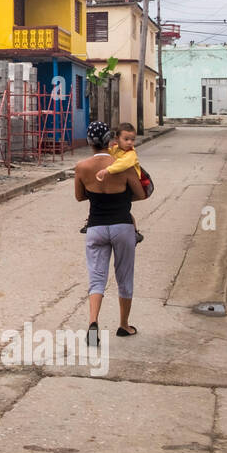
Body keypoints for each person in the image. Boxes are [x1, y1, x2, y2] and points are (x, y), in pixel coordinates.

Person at [75, 120, 148, 344]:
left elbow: (79, 196)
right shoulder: (122, 164)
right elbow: (141, 194)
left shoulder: (82, 167)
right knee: (124, 276)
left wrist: (97, 192)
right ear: (110, 140)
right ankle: (124, 325)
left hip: (96, 227)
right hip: (122, 226)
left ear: (90, 142)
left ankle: (93, 322)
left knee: (97, 277)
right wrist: (121, 196)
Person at [92, 122, 145, 244]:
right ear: (117, 139)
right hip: (120, 182)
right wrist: (110, 148)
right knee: (121, 208)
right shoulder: (116, 149)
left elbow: (123, 164)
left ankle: (135, 232)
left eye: (132, 139)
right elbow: (108, 155)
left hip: (130, 185)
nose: (130, 143)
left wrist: (107, 170)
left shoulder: (131, 154)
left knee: (124, 209)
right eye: (126, 139)